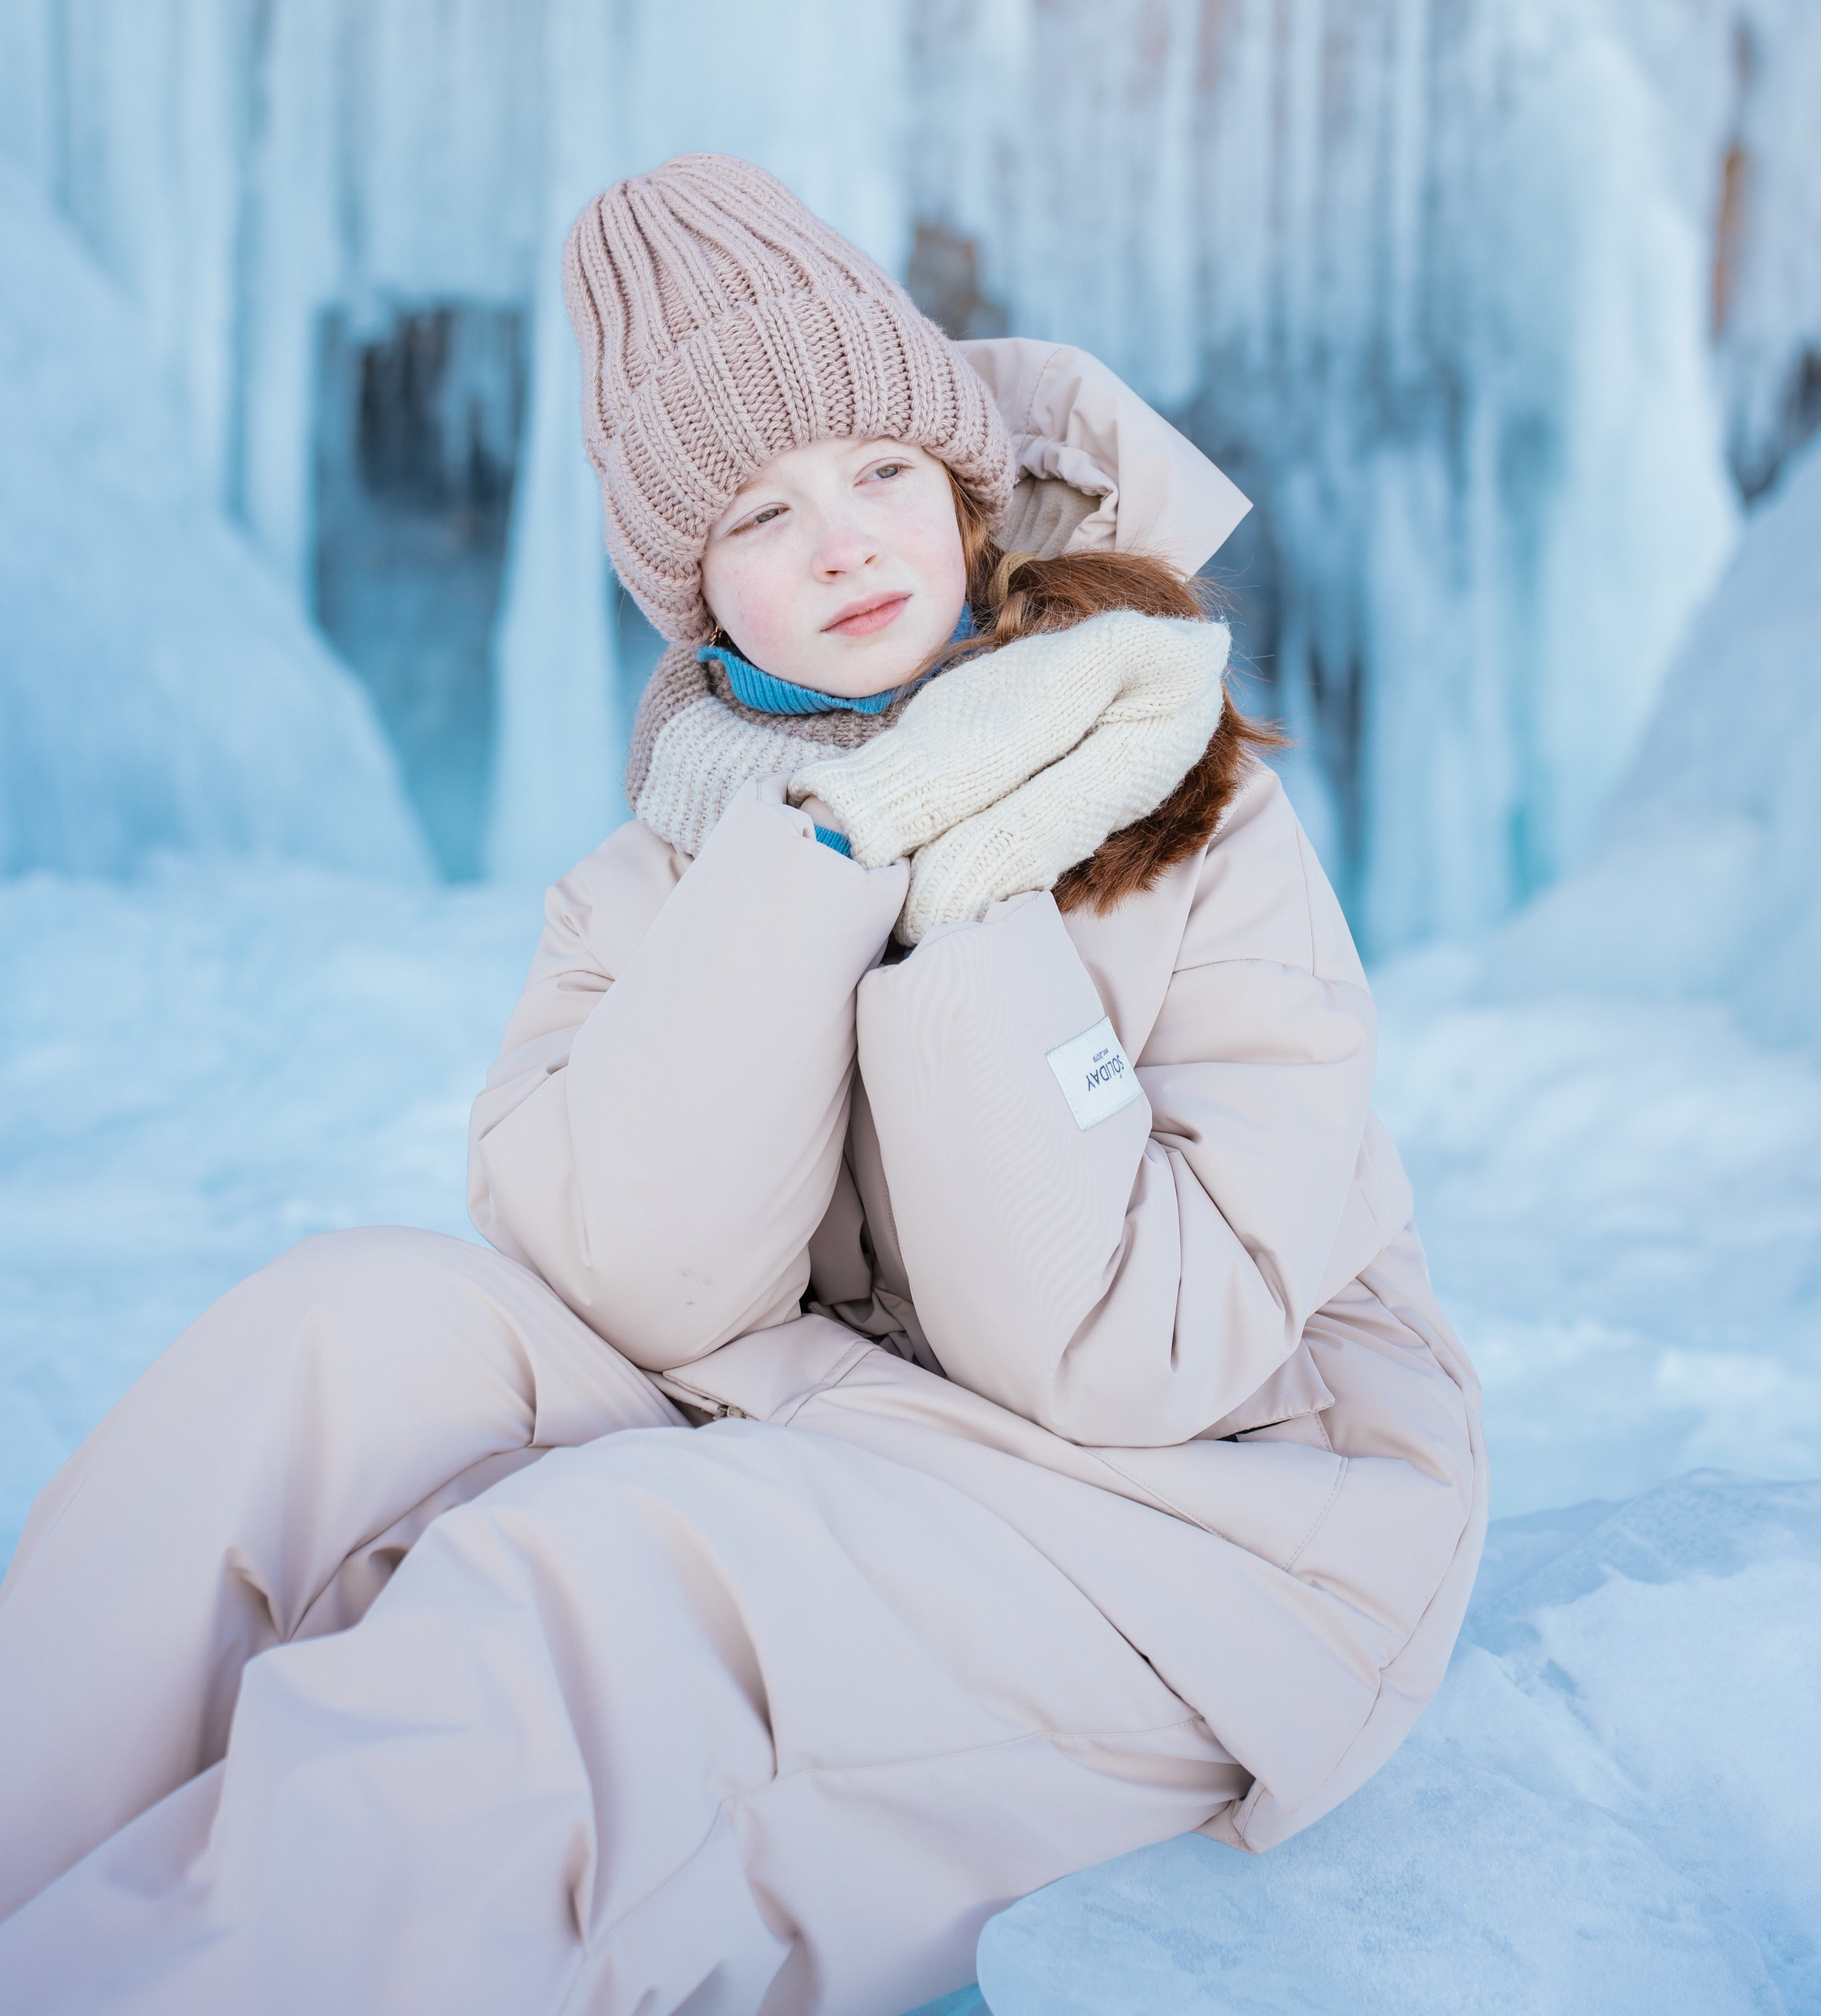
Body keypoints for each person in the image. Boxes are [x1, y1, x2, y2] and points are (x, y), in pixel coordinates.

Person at [0, 156, 1487, 2015]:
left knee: (576, 1605)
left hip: (1215, 1530)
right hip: (832, 1428)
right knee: (330, 1337)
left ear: (964, 496)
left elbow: (1120, 1359)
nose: (849, 542)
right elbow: (644, 1286)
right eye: (764, 513)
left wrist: (971, 898)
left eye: (882, 475)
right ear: (691, 591)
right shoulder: (656, 875)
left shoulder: (1188, 810)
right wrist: (832, 849)